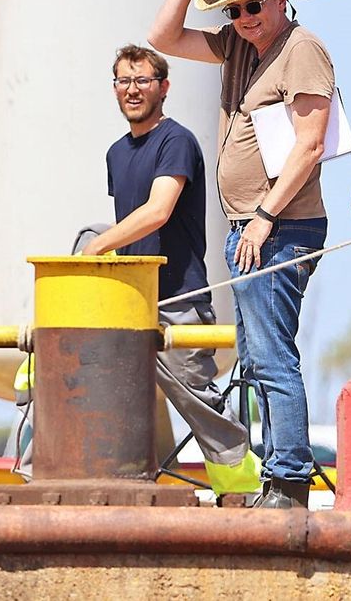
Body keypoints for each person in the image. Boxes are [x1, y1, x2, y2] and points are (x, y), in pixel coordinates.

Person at [149, 0, 333, 510]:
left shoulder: (302, 50)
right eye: (233, 9)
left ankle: (290, 477)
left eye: (254, 4)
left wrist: (264, 217)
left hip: (277, 228)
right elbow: (163, 37)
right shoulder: (236, 46)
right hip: (249, 226)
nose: (245, 17)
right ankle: (277, 478)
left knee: (273, 356)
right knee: (257, 358)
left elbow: (310, 144)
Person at [77, 44, 260, 498]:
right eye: (124, 81)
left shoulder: (175, 141)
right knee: (85, 382)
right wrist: (94, 246)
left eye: (142, 81)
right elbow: (127, 230)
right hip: (131, 302)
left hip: (176, 298)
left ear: (164, 88)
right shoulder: (117, 154)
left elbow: (158, 211)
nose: (132, 90)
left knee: (198, 400)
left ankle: (242, 490)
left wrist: (100, 245)